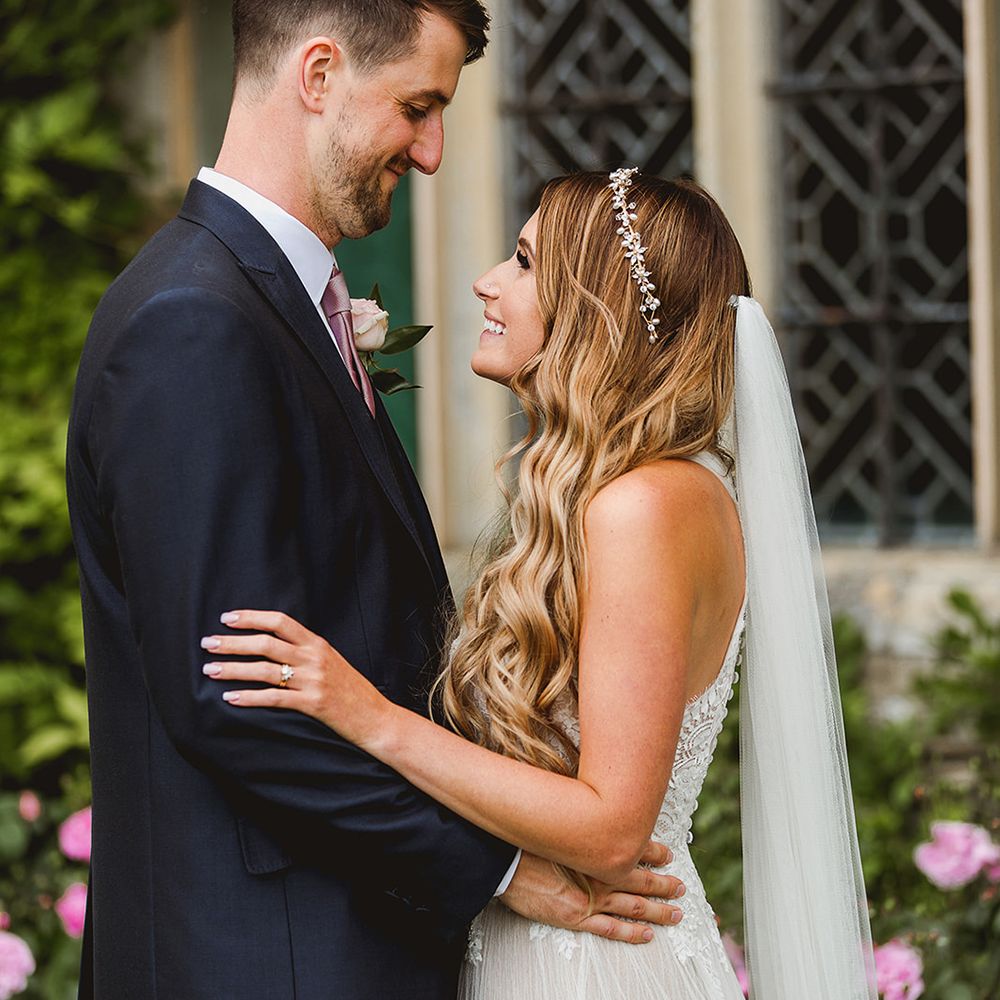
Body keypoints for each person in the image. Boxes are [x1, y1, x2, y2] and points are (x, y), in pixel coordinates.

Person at [64, 5, 685, 998]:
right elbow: (241, 704)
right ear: (317, 75)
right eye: (417, 106)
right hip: (265, 960)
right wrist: (501, 869)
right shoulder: (195, 320)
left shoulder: (267, 303)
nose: (433, 152)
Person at [203, 170, 880, 999]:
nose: (488, 280)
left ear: (600, 310)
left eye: (524, 262)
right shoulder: (630, 492)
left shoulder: (646, 505)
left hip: (602, 962)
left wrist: (365, 716)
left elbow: (608, 828)